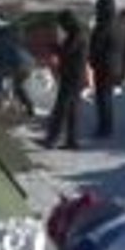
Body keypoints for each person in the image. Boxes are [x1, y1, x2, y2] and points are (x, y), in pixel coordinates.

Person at [44, 10, 88, 150]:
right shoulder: (78, 33)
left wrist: (55, 47)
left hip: (72, 75)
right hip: (75, 75)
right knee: (71, 109)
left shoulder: (77, 34)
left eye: (63, 24)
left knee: (62, 108)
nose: (62, 27)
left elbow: (66, 52)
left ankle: (53, 139)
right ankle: (71, 140)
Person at [89, 0, 125, 138]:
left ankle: (105, 128)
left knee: (102, 97)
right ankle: (107, 125)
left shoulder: (104, 25)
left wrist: (92, 60)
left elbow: (96, 46)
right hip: (116, 65)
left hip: (104, 65)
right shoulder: (121, 23)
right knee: (107, 96)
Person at [0, 31, 37, 116]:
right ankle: (29, 107)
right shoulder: (8, 42)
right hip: (28, 65)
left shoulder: (3, 45)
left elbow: (4, 61)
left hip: (21, 66)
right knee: (17, 87)